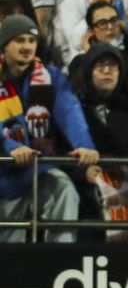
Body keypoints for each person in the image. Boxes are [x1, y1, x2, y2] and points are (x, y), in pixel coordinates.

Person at [0, 14, 96, 241]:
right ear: (4, 46)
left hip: (37, 168)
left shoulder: (50, 77)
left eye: (31, 41)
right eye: (19, 40)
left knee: (64, 189)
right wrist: (10, 146)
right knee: (9, 253)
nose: (27, 47)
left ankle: (60, 262)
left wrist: (84, 146)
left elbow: (70, 111)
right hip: (3, 174)